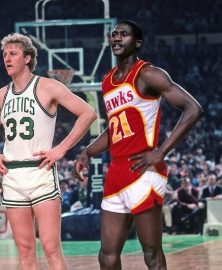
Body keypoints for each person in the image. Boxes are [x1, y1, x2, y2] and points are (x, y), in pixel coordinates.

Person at [75, 20, 203, 270]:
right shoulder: (107, 80)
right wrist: (87, 152)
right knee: (106, 255)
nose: (117, 38)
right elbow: (115, 128)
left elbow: (193, 108)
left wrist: (162, 151)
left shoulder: (148, 74)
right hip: (116, 172)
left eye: (124, 34)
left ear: (137, 43)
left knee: (151, 254)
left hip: (143, 170)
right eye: (114, 34)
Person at [0, 33, 96, 270]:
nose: (7, 58)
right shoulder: (0, 95)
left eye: (12, 53)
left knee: (51, 248)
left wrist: (61, 149)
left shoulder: (48, 86)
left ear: (27, 58)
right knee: (24, 251)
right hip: (12, 176)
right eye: (4, 54)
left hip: (41, 172)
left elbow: (88, 113)